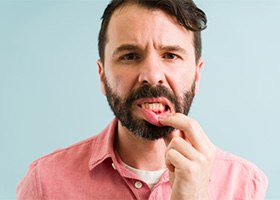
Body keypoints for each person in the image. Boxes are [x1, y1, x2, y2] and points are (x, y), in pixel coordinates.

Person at [17, 0, 268, 199]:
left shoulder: (245, 185)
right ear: (102, 76)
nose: (151, 76)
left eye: (170, 55)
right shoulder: (44, 183)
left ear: (197, 75)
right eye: (129, 56)